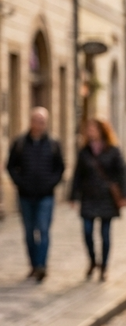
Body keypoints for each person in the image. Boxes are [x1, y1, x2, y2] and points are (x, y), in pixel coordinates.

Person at [6, 107, 65, 281]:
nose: (39, 125)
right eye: (36, 121)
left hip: (46, 195)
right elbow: (10, 166)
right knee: (29, 232)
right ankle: (33, 264)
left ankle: (41, 265)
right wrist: (20, 183)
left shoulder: (53, 143)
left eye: (42, 122)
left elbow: (60, 167)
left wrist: (51, 183)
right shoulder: (20, 143)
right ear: (31, 121)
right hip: (25, 195)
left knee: (44, 229)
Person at [69, 118, 126, 282]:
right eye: (89, 129)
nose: (90, 131)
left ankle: (104, 266)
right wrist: (73, 196)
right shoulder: (84, 151)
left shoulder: (113, 150)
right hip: (88, 196)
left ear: (102, 130)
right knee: (87, 232)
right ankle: (93, 261)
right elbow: (77, 175)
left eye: (93, 128)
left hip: (107, 198)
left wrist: (124, 196)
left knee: (105, 234)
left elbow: (122, 174)